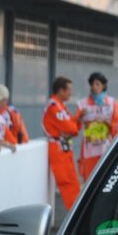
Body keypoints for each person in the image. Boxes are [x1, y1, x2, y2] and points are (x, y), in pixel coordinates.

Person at [42, 76, 81, 209]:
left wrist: (77, 119)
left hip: (64, 147)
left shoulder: (60, 105)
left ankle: (77, 211)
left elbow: (74, 128)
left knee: (73, 182)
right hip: (58, 149)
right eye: (69, 90)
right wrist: (73, 126)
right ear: (61, 90)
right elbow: (71, 128)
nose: (71, 93)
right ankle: (74, 214)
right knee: (67, 183)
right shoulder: (53, 106)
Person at [75, 71, 118, 180]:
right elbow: (75, 127)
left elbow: (116, 126)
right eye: (92, 84)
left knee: (105, 178)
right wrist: (80, 116)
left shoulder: (112, 102)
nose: (94, 87)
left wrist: (105, 122)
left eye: (97, 84)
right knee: (89, 179)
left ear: (103, 85)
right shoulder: (82, 104)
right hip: (89, 149)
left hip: (105, 147)